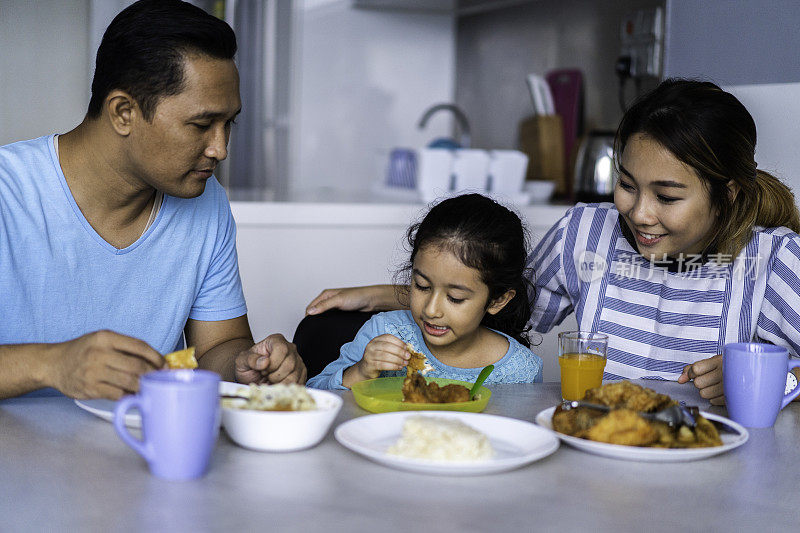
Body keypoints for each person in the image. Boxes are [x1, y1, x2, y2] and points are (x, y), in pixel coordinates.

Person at [304, 79, 800, 405]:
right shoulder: (588, 233)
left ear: (727, 192)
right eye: (626, 185)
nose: (639, 214)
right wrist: (386, 293)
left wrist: (773, 379)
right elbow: (492, 297)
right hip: (592, 454)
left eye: (667, 196)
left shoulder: (772, 262)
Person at [0, 0, 305, 400]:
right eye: (201, 125)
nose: (220, 149)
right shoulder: (8, 192)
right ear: (123, 112)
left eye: (228, 124)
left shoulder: (206, 203)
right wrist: (51, 364)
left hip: (146, 452)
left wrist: (246, 364)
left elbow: (215, 348)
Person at [306, 194, 543, 389]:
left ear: (498, 300)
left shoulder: (521, 370)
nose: (431, 310)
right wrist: (360, 371)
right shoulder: (385, 331)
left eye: (455, 298)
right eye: (422, 286)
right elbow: (315, 395)